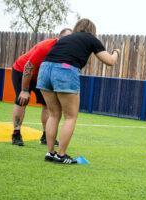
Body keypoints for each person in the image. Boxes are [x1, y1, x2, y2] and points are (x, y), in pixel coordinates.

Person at [35, 18, 120, 164]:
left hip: (44, 69)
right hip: (65, 70)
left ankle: (50, 153)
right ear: (92, 30)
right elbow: (110, 61)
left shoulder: (66, 38)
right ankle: (61, 155)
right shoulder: (91, 39)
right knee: (70, 116)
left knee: (54, 114)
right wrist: (116, 52)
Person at [11, 28, 72, 146]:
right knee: (22, 100)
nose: (67, 42)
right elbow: (28, 67)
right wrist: (24, 90)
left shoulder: (66, 51)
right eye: (65, 39)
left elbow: (64, 65)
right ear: (58, 38)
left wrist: (70, 67)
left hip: (41, 76)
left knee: (48, 104)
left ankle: (45, 136)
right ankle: (16, 134)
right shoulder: (45, 47)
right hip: (22, 71)